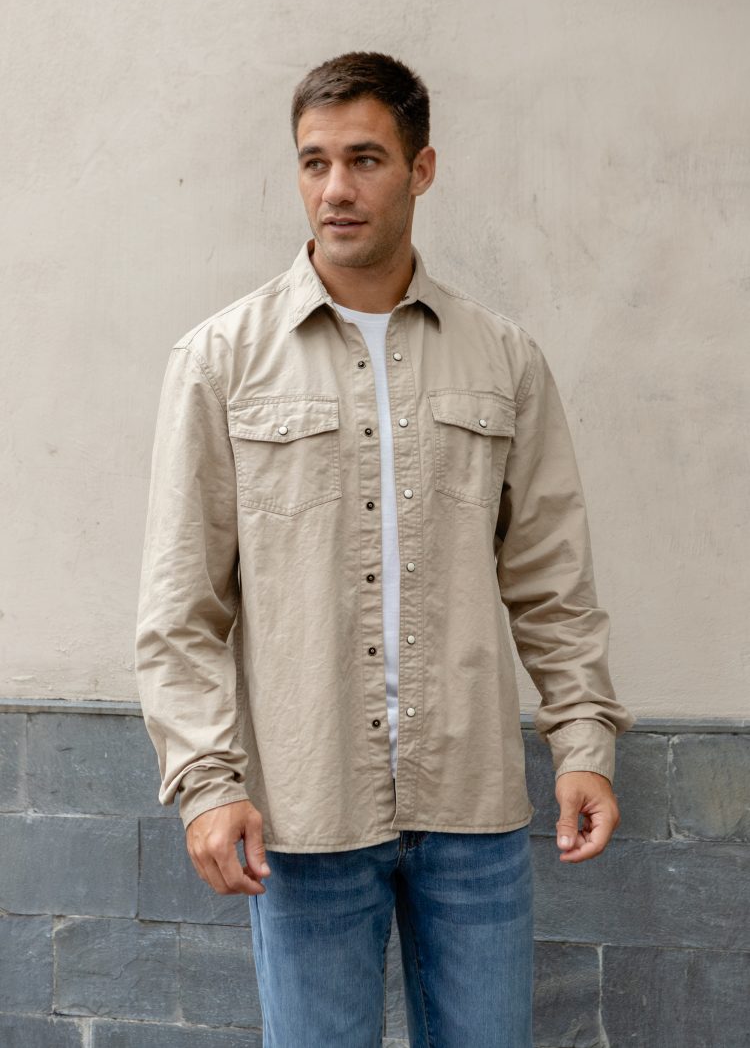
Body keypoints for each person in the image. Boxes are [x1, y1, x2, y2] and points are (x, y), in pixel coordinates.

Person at [135, 51, 634, 1048]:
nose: (336, 189)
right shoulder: (220, 362)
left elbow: (552, 581)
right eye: (313, 161)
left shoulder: (503, 359)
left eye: (364, 159)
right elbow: (180, 610)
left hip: (473, 814)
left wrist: (583, 742)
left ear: (422, 168)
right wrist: (207, 782)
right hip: (304, 819)